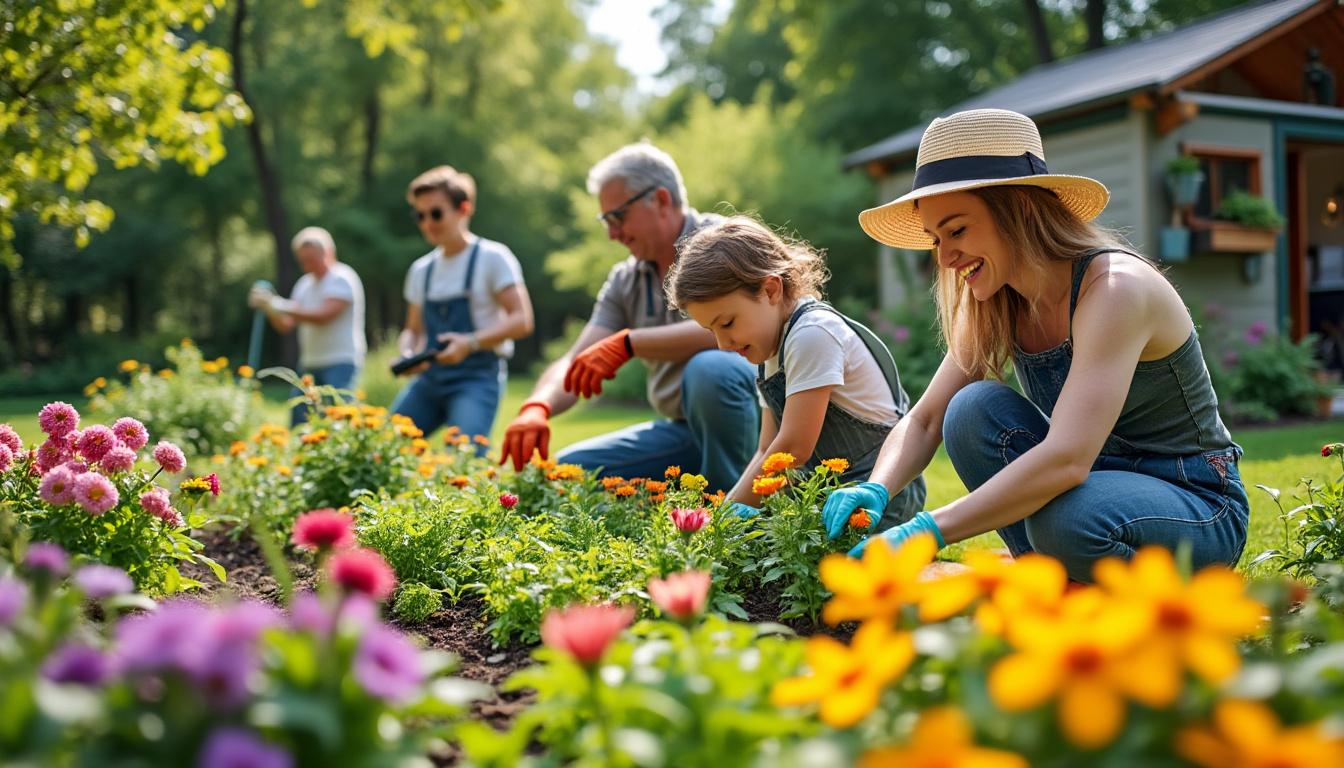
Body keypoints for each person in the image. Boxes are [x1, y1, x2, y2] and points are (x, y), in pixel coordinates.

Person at [822, 108, 1248, 583]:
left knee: (1067, 518)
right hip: (1093, 491)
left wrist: (927, 530)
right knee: (970, 410)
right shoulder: (1002, 300)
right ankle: (1058, 587)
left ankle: (1119, 603)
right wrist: (877, 489)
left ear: (1021, 207)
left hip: (1194, 502)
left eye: (957, 230)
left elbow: (1067, 458)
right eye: (935, 238)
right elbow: (926, 420)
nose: (944, 258)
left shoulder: (1114, 289)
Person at [497, 143, 759, 492]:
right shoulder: (626, 280)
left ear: (661, 200)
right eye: (606, 221)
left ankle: (732, 518)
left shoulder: (724, 241)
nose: (611, 233)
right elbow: (578, 360)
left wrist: (631, 343)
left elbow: (743, 326)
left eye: (617, 217)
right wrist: (537, 406)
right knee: (566, 473)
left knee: (710, 369)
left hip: (759, 420)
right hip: (686, 430)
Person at [666, 216, 926, 528]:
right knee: (757, 552)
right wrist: (728, 513)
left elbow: (793, 448)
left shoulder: (811, 334)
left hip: (880, 496)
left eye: (728, 323)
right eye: (712, 331)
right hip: (828, 494)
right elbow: (767, 448)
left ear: (771, 289)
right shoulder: (769, 351)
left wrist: (723, 522)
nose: (722, 344)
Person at [391, 165, 534, 448]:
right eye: (420, 215)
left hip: (476, 378)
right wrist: (408, 353)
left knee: (463, 459)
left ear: (463, 209)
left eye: (435, 213)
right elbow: (413, 329)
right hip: (430, 380)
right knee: (383, 446)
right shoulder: (421, 270)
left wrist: (469, 343)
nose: (427, 223)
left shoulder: (493, 258)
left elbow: (522, 320)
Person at [249, 226, 366, 425]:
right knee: (299, 420)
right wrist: (269, 308)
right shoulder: (304, 284)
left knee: (337, 419)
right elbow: (286, 324)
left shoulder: (342, 278)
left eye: (312, 259)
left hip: (341, 362)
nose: (308, 265)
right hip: (310, 364)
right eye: (303, 260)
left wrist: (278, 304)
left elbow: (323, 316)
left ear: (328, 253)